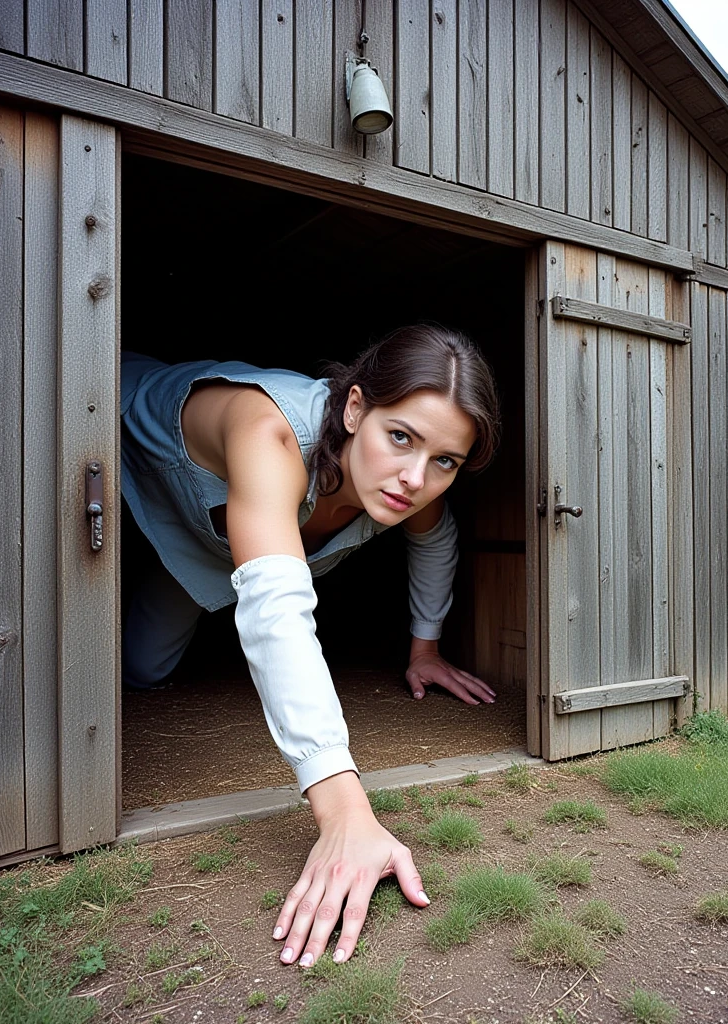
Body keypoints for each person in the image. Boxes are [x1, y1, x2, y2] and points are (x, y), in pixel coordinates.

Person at [120, 324, 502, 968]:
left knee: (141, 664)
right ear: (355, 408)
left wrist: (425, 650)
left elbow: (436, 539)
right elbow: (277, 614)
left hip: (212, 539)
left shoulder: (411, 489)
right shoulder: (267, 431)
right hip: (124, 427)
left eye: (445, 461)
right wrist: (344, 810)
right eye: (400, 437)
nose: (414, 478)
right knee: (134, 661)